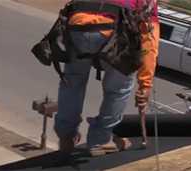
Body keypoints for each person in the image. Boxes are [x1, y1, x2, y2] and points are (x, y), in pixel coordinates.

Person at [53, 0, 160, 156]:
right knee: (118, 88)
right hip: (112, 29)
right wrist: (145, 85)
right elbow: (149, 41)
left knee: (73, 81)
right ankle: (100, 140)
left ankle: (66, 138)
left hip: (77, 24)